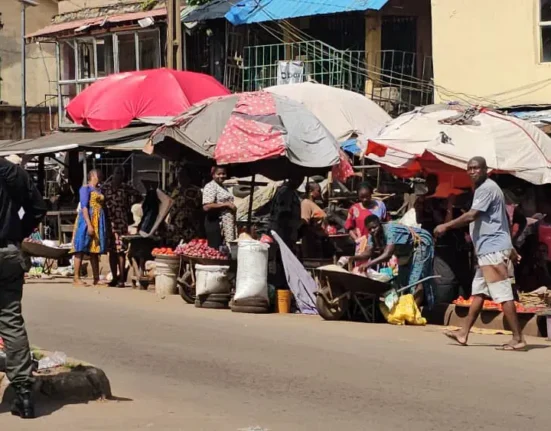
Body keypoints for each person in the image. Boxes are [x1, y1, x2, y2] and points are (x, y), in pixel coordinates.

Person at [434, 156, 526, 351]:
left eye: (476, 168)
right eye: (470, 168)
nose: (472, 171)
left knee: (503, 295)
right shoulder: (487, 189)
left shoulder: (486, 189)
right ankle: (463, 332)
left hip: (492, 251)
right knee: (478, 293)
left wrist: (446, 226)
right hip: (488, 250)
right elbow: (501, 222)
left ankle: (518, 338)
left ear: (486, 170)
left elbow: (471, 215)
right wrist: (510, 247)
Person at [0, 157, 47, 418]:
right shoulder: (16, 174)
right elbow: (38, 208)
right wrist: (18, 230)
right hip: (9, 251)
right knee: (11, 321)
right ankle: (24, 396)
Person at [352, 215, 435, 307]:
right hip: (405, 251)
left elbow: (387, 254)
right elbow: (368, 252)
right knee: (402, 281)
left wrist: (368, 264)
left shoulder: (390, 230)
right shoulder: (372, 236)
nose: (372, 230)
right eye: (369, 229)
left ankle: (413, 310)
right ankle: (406, 308)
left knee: (415, 279)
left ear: (380, 224)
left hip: (421, 243)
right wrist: (353, 258)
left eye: (374, 227)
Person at [102, 167, 141, 287]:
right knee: (111, 251)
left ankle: (122, 279)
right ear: (112, 174)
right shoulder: (105, 187)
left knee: (120, 251)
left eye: (121, 173)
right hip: (109, 222)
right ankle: (114, 277)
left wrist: (129, 205)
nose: (118, 175)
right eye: (117, 172)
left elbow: (138, 195)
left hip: (121, 222)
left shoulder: (125, 187)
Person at [71, 170, 107, 286]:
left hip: (98, 220)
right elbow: (84, 207)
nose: (100, 177)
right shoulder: (85, 189)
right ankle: (76, 278)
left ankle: (96, 278)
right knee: (80, 248)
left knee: (94, 250)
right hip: (87, 220)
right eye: (98, 175)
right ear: (92, 176)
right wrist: (89, 224)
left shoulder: (99, 189)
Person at [202, 166, 236, 249]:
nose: (221, 176)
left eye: (223, 173)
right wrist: (226, 204)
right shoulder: (211, 186)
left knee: (225, 250)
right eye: (219, 174)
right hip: (215, 223)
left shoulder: (222, 186)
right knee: (216, 250)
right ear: (213, 175)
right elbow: (206, 206)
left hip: (226, 224)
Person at [169, 165, 203, 244]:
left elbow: (198, 206)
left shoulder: (195, 190)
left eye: (183, 176)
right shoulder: (176, 190)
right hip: (176, 224)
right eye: (179, 176)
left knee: (190, 246)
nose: (181, 178)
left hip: (190, 224)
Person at [300, 182, 328, 258]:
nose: (319, 193)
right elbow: (305, 221)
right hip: (311, 240)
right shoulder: (306, 203)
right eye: (318, 191)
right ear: (310, 191)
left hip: (318, 238)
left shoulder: (313, 203)